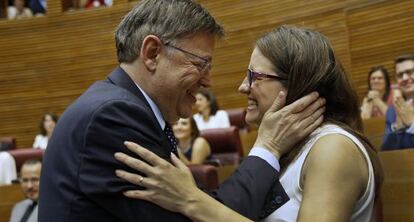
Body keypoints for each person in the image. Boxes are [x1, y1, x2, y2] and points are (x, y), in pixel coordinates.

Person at [38, 1, 325, 221]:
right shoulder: (113, 117)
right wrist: (268, 146)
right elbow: (196, 215)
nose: (208, 81)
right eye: (201, 64)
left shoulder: (121, 106)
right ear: (152, 53)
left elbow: (193, 200)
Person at [114, 26, 383, 222]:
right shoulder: (288, 148)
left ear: (295, 85)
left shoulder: (333, 147)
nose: (243, 87)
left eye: (255, 76)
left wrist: (192, 200)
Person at [382, 53, 414, 150]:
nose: (404, 78)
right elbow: (386, 152)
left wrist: (412, 125)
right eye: (400, 75)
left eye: (409, 72)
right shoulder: (392, 111)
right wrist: (397, 128)